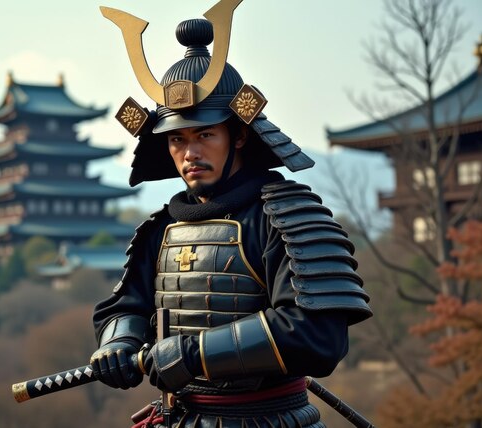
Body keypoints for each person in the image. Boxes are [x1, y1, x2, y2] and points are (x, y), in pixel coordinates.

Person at [90, 5, 372, 428]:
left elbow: (317, 334)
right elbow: (124, 306)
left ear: (239, 134)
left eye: (205, 134)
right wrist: (120, 341)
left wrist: (192, 354)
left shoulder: (286, 218)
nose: (190, 153)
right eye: (177, 139)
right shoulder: (160, 229)